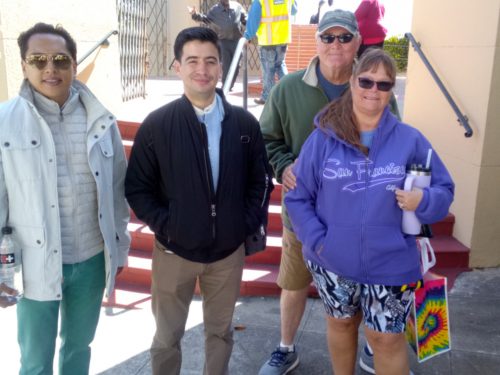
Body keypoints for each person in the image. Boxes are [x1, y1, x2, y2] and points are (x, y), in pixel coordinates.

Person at [285, 48, 455, 375]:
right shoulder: (322, 139)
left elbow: (444, 191)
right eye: (366, 81)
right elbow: (298, 197)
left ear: (392, 90)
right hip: (332, 261)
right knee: (341, 325)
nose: (373, 91)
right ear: (352, 81)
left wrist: (424, 202)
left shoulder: (411, 140)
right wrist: (320, 241)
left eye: (383, 84)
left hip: (393, 260)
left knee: (386, 339)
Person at [257, 10, 399, 375]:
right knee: (294, 283)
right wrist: (284, 165)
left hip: (361, 218)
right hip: (303, 216)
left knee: (367, 286)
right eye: (328, 37)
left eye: (344, 37)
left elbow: (396, 142)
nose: (336, 45)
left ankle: (370, 348)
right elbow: (267, 138)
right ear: (316, 41)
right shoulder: (288, 88)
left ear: (357, 44)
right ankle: (286, 348)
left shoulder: (372, 86)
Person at [124, 26, 272, 375]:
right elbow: (137, 188)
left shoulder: (245, 124)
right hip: (174, 252)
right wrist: (169, 224)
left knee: (220, 334)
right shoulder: (157, 125)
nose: (201, 70)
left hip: (226, 255)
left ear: (221, 67)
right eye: (192, 61)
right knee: (166, 336)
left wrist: (243, 223)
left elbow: (261, 181)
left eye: (210, 61)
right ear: (177, 66)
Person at [0, 23, 130, 374]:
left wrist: (119, 246)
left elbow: (117, 191)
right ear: (24, 66)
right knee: (35, 359)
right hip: (35, 264)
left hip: (89, 260)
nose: (50, 69)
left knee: (78, 349)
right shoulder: (4, 123)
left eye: (59, 60)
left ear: (73, 64)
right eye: (38, 60)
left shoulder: (100, 120)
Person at [244, 0, 295, 105]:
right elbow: (294, 10)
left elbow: (254, 19)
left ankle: (268, 97)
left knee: (268, 69)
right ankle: (288, 94)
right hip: (283, 38)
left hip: (268, 39)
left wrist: (248, 36)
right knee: (280, 65)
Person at [188, 0, 247, 91]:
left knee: (236, 65)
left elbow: (245, 19)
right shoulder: (215, 10)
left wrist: (251, 27)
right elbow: (205, 19)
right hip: (223, 42)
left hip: (236, 41)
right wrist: (194, 14)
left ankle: (229, 84)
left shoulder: (237, 6)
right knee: (226, 65)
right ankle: (226, 86)